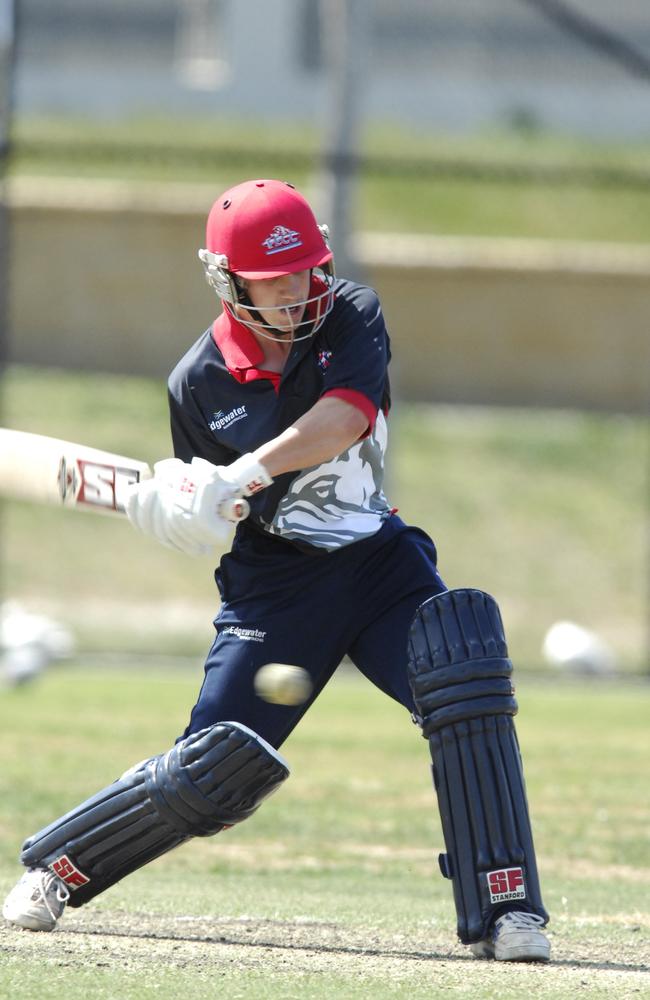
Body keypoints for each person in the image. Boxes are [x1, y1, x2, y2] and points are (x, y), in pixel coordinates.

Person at [2, 178, 550, 962]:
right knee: (213, 768)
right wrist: (183, 511)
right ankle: (57, 867)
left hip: (378, 561)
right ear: (231, 282)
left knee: (462, 672)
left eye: (305, 272)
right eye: (276, 278)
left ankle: (508, 910)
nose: (298, 292)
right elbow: (210, 515)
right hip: (277, 585)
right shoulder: (197, 384)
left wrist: (245, 470)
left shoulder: (350, 312)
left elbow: (348, 415)